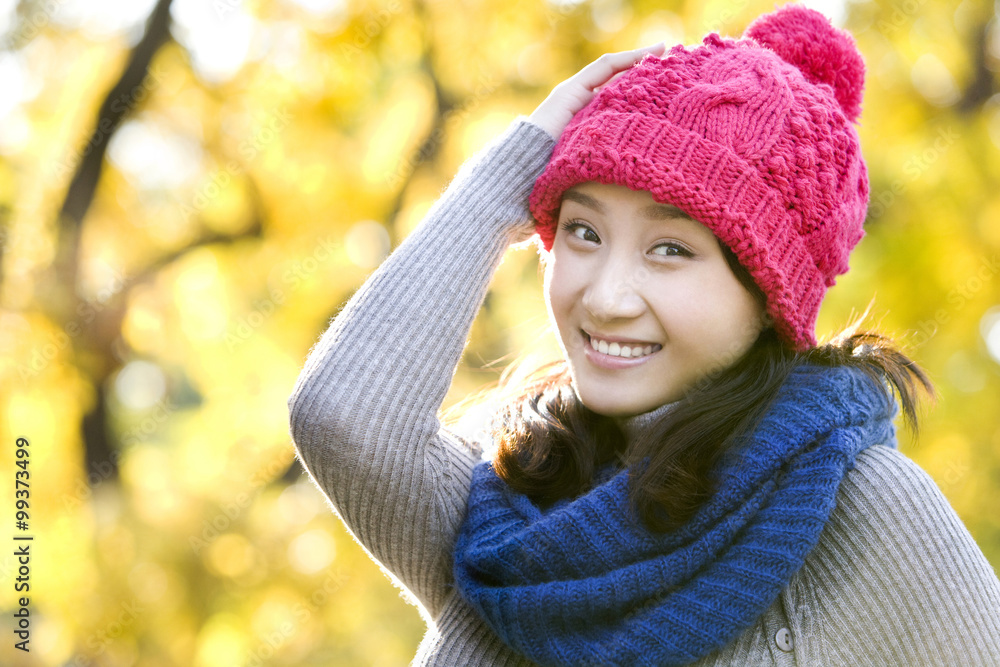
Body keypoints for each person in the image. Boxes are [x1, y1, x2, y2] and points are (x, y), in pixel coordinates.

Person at [288, 4, 1000, 665]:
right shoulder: (503, 509)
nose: (605, 296)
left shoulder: (864, 509)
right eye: (583, 231)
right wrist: (515, 169)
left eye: (670, 250)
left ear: (766, 296)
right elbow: (338, 415)